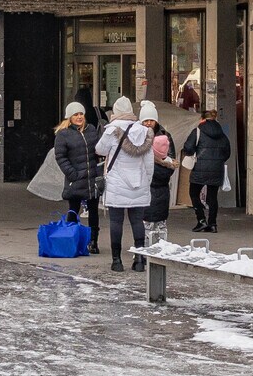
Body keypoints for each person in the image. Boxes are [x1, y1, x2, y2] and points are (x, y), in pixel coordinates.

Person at [98, 97, 154, 273]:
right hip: (139, 183)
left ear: (115, 112)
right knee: (137, 222)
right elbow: (149, 163)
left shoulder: (111, 131)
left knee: (116, 222)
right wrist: (147, 181)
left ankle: (117, 261)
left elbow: (99, 150)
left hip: (116, 183)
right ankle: (139, 260)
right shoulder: (144, 132)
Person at [53, 102, 103, 255]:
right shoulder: (63, 134)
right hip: (75, 179)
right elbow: (60, 157)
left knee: (94, 210)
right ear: (70, 117)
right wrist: (72, 174)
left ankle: (93, 241)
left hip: (91, 178)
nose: (79, 117)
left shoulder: (91, 130)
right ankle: (70, 240)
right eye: (76, 114)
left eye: (81, 114)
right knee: (73, 210)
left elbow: (98, 150)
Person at [181, 106, 232, 234]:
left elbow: (188, 148)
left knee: (194, 193)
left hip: (200, 168)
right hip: (216, 169)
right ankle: (213, 224)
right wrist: (218, 161)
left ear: (202, 118)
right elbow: (227, 152)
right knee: (212, 197)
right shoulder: (222, 134)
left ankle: (201, 220)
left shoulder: (198, 131)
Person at [143, 104, 175, 231]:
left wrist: (155, 170)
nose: (148, 123)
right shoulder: (137, 136)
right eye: (145, 120)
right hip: (144, 187)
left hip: (161, 185)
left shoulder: (165, 136)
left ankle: (160, 246)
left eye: (151, 120)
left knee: (160, 223)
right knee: (145, 223)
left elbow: (171, 162)